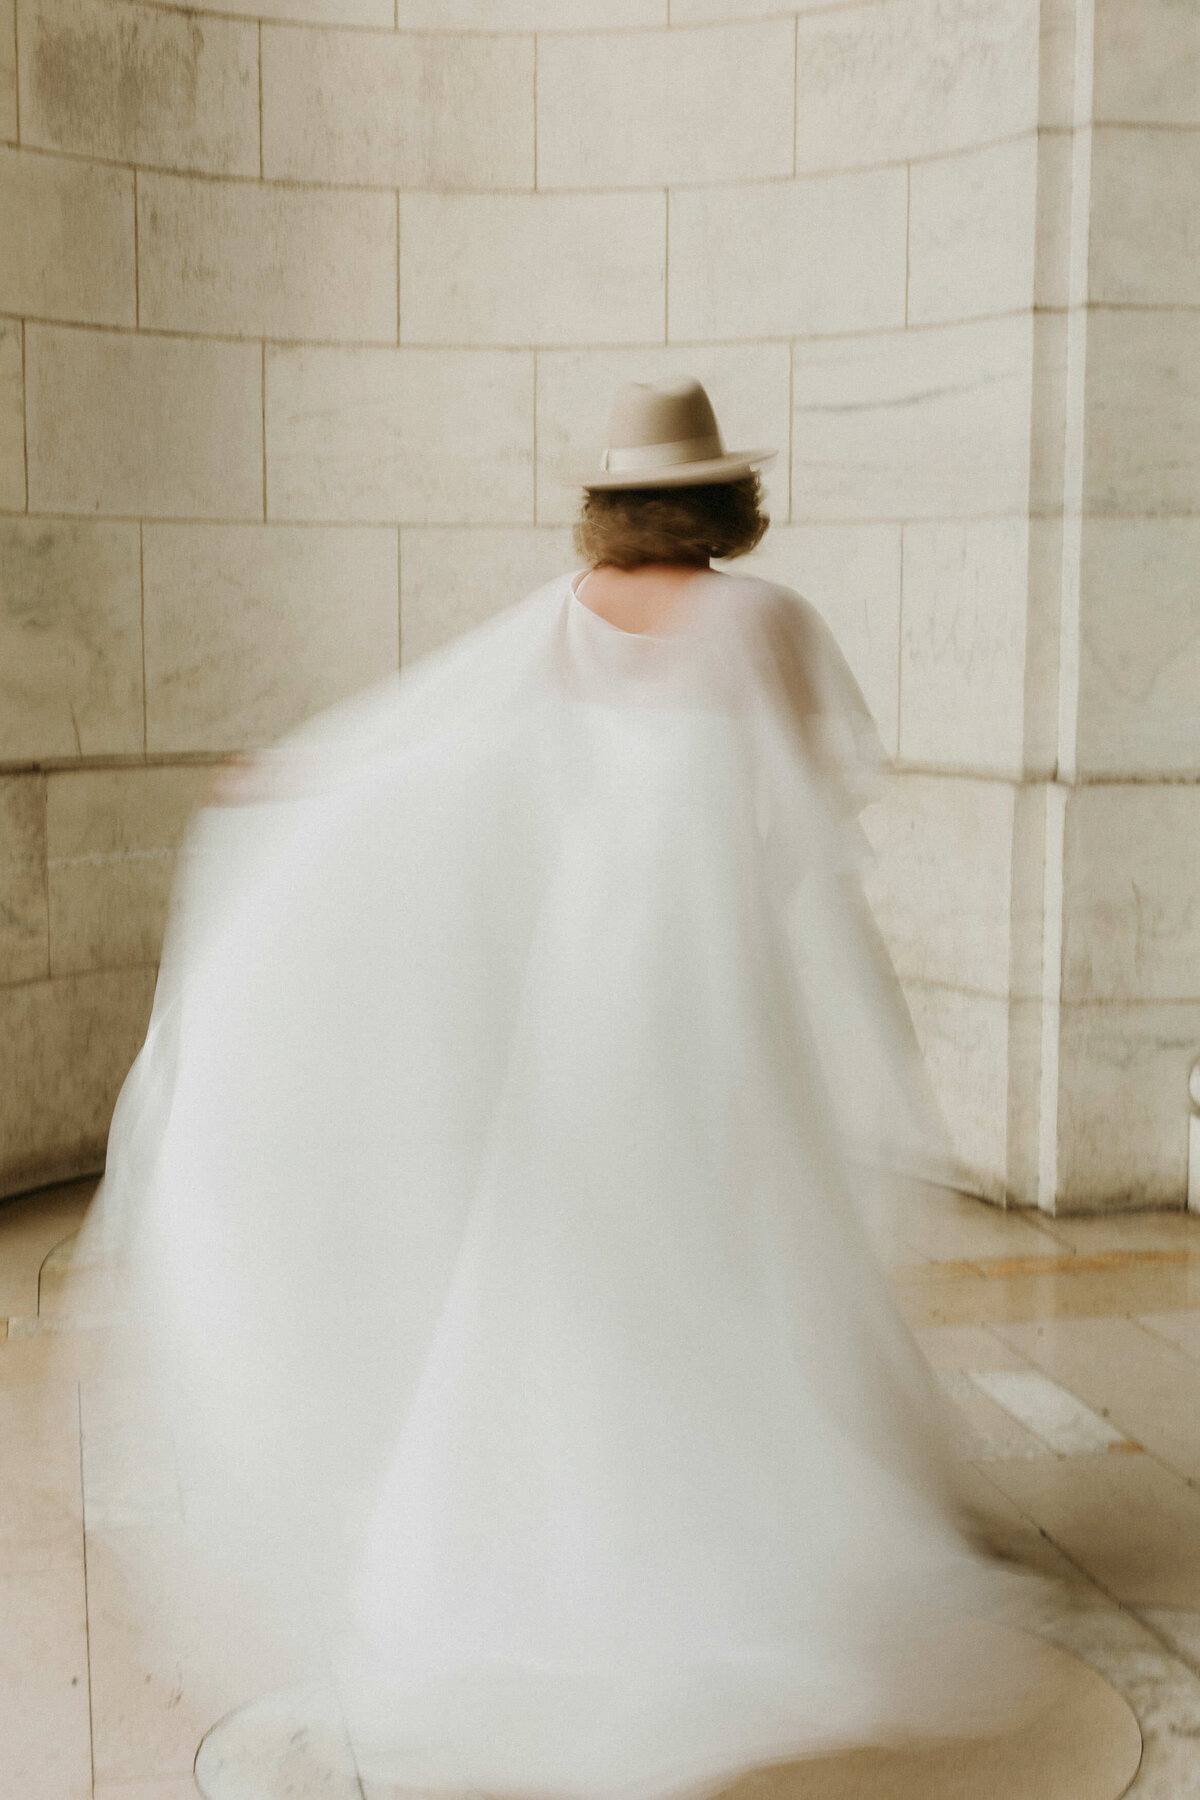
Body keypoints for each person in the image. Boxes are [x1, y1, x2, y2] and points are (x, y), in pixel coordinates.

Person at [78, 375, 1045, 1800]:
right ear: (723, 496)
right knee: (738, 1216)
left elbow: (431, 731)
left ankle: (549, 1515)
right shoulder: (761, 618)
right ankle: (752, 1496)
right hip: (711, 970)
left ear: (615, 493)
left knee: (580, 1228)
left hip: (591, 982)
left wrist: (295, 778)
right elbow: (817, 795)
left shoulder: (572, 611)